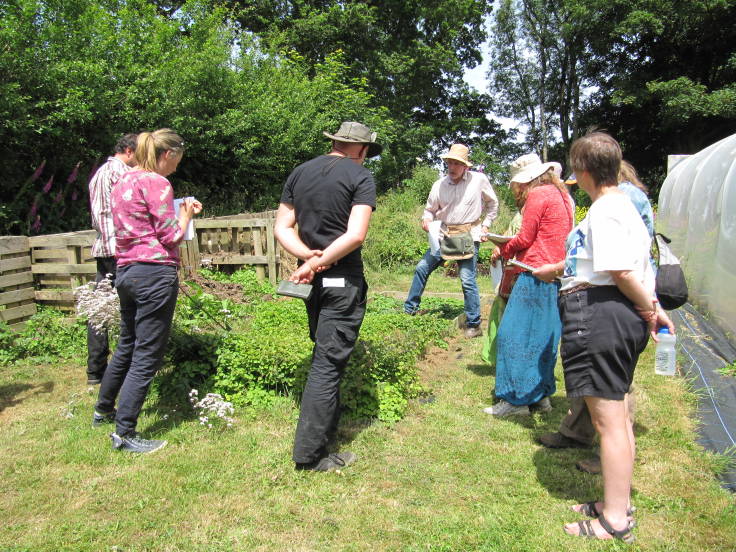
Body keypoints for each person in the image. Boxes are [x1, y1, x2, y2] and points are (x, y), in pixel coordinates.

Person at [534, 132, 673, 542]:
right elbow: (623, 267)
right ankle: (618, 500)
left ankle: (614, 518)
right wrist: (652, 307)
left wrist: (649, 309)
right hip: (607, 310)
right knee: (615, 415)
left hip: (599, 315)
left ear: (583, 170)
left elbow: (622, 271)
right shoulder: (619, 206)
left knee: (607, 420)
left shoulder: (610, 208)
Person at [274, 121, 380, 472]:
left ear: (335, 143)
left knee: (323, 354)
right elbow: (355, 235)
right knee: (327, 364)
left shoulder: (300, 172)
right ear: (362, 150)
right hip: (341, 278)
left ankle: (325, 427)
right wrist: (319, 260)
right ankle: (311, 455)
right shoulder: (360, 177)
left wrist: (308, 259)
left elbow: (281, 227)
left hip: (314, 281)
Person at [538, 160, 656, 474]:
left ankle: (611, 459)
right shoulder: (610, 201)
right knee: (598, 387)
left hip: (610, 305)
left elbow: (622, 266)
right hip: (609, 300)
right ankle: (580, 434)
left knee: (612, 396)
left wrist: (650, 307)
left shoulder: (618, 202)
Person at [93, 129, 202, 453]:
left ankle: (103, 410)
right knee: (146, 355)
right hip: (154, 273)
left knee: (127, 343)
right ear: (167, 154)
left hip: (126, 271)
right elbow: (170, 237)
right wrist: (185, 215)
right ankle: (124, 433)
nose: (176, 169)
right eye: (176, 161)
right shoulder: (157, 182)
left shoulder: (123, 180)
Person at [484, 154, 572, 417]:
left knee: (513, 335)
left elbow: (525, 237)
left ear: (527, 180)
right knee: (543, 337)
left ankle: (515, 400)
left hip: (534, 271)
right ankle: (541, 395)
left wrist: (503, 248)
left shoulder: (538, 195)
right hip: (555, 274)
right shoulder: (562, 194)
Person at [404, 144, 498, 338]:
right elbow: (429, 210)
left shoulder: (478, 180)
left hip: (468, 235)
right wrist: (427, 220)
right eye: (449, 163)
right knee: (422, 267)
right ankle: (410, 310)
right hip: (443, 235)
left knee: (466, 278)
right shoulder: (439, 185)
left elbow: (492, 203)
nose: (452, 167)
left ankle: (474, 324)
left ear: (465, 166)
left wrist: (486, 225)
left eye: (456, 163)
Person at [86, 133, 137, 385]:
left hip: (104, 248)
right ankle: (127, 368)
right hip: (122, 250)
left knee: (100, 311)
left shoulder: (99, 174)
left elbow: (97, 218)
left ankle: (95, 372)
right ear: (128, 151)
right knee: (131, 310)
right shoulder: (122, 174)